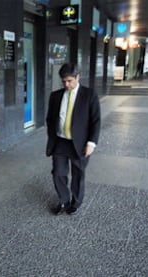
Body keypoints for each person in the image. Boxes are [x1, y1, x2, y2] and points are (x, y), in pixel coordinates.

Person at [45, 63, 101, 215]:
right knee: (58, 173)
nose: (66, 84)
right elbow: (50, 118)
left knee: (78, 174)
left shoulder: (89, 95)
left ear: (77, 77)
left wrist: (91, 143)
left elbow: (95, 121)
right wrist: (52, 135)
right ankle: (63, 201)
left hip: (80, 143)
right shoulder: (55, 96)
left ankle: (75, 203)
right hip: (60, 142)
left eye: (69, 80)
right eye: (63, 81)